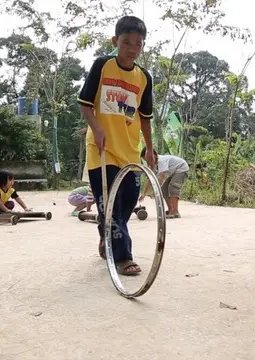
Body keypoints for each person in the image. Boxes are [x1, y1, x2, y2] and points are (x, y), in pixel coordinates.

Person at [77, 15, 155, 276]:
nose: (132, 49)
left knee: (125, 206)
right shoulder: (102, 66)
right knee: (110, 204)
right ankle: (124, 257)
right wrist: (97, 128)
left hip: (130, 153)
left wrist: (150, 149)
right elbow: (85, 104)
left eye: (138, 44)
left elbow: (145, 119)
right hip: (102, 151)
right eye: (126, 42)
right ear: (115, 41)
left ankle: (106, 236)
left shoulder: (144, 78)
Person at [138, 149, 189, 218]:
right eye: (146, 160)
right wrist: (144, 193)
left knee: (173, 187)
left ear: (155, 155)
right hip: (174, 172)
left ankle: (175, 212)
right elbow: (150, 180)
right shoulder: (154, 165)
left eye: (149, 159)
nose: (148, 162)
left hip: (181, 168)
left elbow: (161, 178)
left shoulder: (161, 160)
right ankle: (171, 209)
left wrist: (155, 192)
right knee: (163, 189)